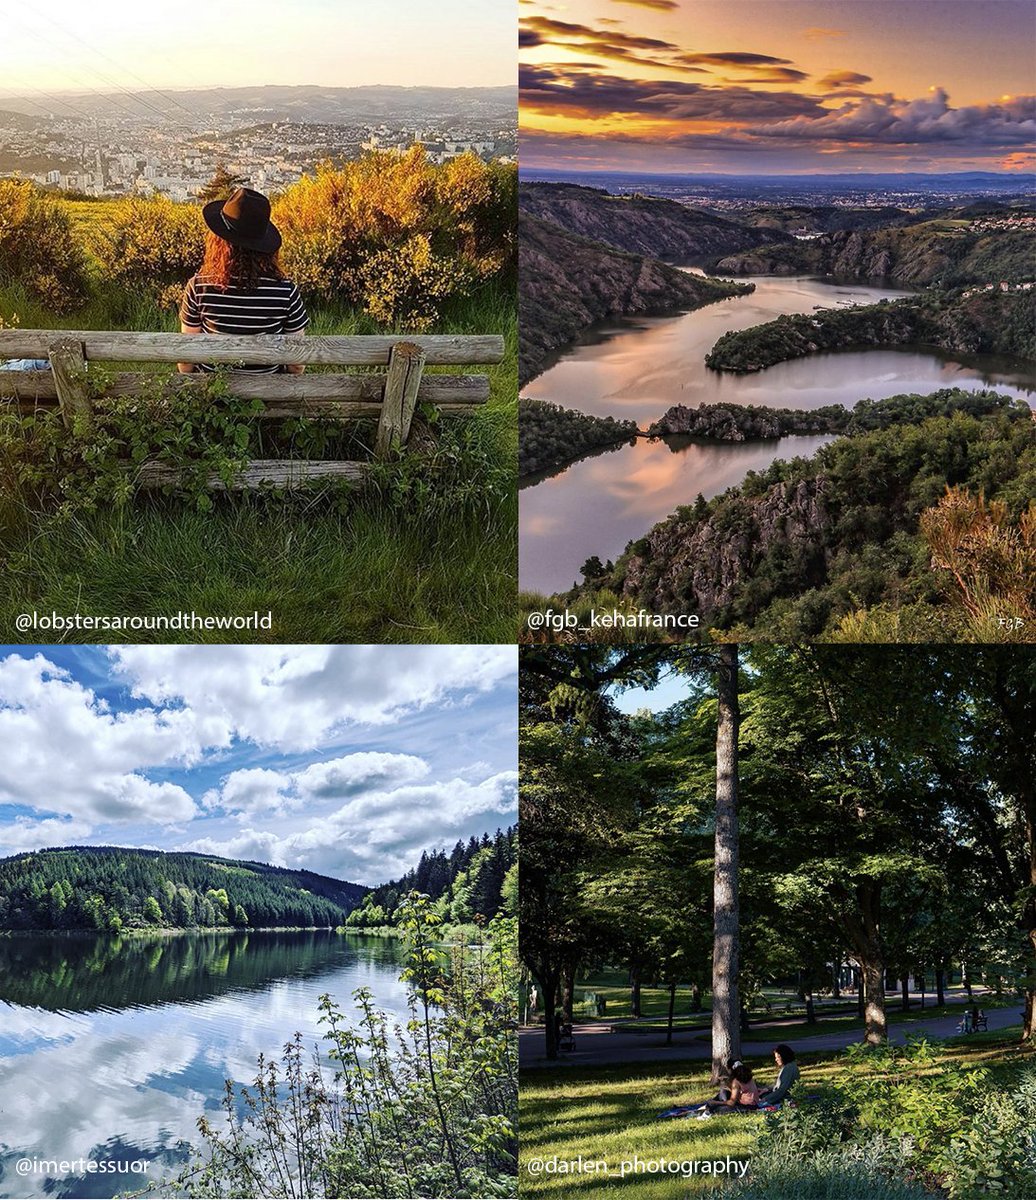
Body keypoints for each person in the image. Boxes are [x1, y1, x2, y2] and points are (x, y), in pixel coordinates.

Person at [178, 186, 309, 375]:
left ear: (218, 241)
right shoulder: (285, 291)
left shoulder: (199, 287)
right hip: (266, 396)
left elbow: (186, 360)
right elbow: (296, 364)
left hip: (213, 394)